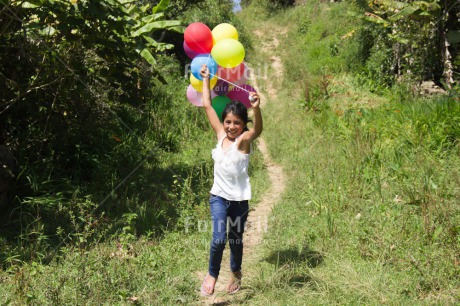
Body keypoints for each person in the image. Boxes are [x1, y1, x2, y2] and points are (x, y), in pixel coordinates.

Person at [199, 64, 263, 296]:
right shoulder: (219, 135)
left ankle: (236, 273)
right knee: (218, 239)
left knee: (235, 240)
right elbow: (207, 105)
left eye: (236, 123)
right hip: (218, 198)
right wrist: (206, 79)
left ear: (242, 124)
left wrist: (256, 109)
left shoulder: (244, 141)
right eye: (228, 122)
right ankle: (212, 274)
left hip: (238, 201)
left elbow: (257, 131)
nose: (231, 126)